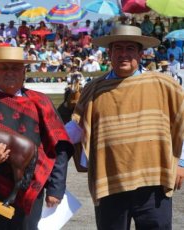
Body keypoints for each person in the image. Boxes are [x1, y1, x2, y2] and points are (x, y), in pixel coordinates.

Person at [66, 25, 184, 229]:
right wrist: (44, 141)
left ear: (141, 53)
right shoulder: (93, 89)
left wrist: (181, 163)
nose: (123, 54)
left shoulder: (164, 85)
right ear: (109, 53)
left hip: (154, 181)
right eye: (118, 48)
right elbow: (74, 130)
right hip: (109, 182)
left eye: (130, 48)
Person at [0, 47, 73, 230]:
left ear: (24, 71)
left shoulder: (41, 103)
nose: (9, 72)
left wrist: (56, 188)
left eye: (15, 68)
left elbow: (59, 146)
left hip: (29, 193)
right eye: (3, 68)